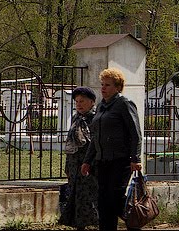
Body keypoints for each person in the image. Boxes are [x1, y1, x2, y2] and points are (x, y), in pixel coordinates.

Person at [81, 68, 143, 231]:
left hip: (120, 160)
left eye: (107, 85)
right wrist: (87, 161)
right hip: (102, 161)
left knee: (114, 198)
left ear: (118, 87)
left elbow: (135, 133)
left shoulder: (124, 104)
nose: (103, 88)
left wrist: (135, 158)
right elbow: (95, 137)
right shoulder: (102, 106)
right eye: (102, 84)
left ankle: (135, 220)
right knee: (103, 201)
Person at [59, 87, 99, 230]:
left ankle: (95, 224)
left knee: (88, 198)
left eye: (82, 101)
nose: (79, 104)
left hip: (88, 165)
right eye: (76, 102)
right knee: (75, 197)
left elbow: (94, 143)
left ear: (92, 102)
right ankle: (79, 225)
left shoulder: (95, 118)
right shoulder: (77, 118)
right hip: (74, 165)